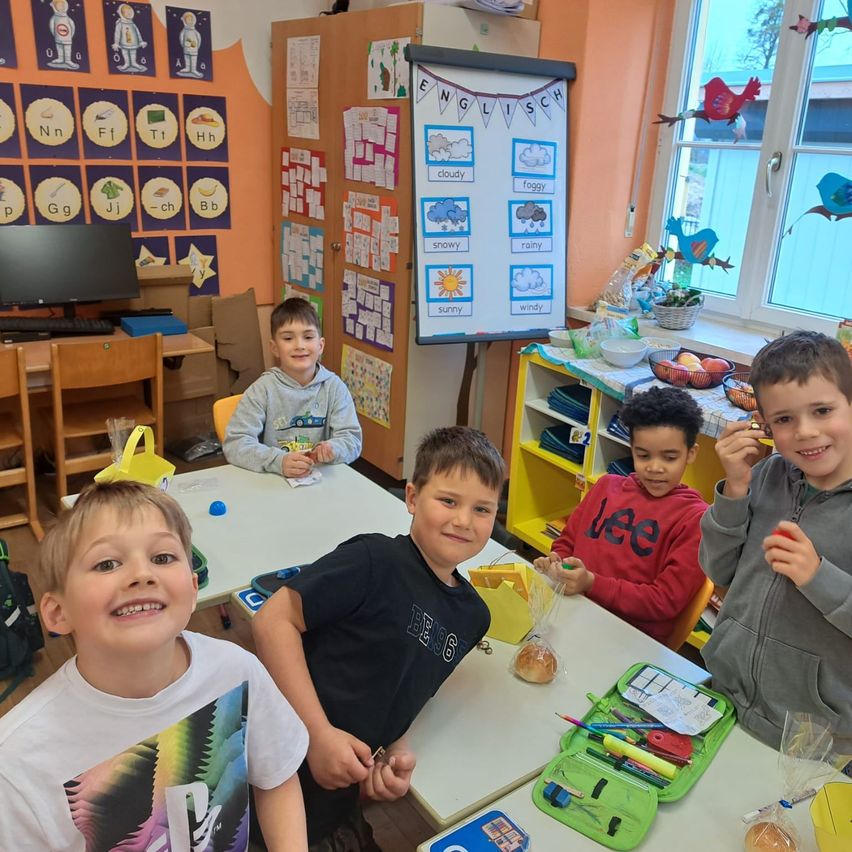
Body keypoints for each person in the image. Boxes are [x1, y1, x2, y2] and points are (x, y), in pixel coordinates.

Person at [0, 481, 309, 851]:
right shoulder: (19, 761)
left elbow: (276, 777)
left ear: (192, 590)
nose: (142, 574)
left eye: (162, 558)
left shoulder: (236, 671)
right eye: (107, 563)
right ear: (57, 612)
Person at [252, 426, 504, 850]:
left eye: (482, 509)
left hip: (335, 795)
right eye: (448, 501)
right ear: (412, 498)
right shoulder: (375, 559)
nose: (464, 520)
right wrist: (317, 734)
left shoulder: (473, 616)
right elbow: (272, 622)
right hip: (276, 766)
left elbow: (411, 685)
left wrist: (393, 750)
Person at [700, 331, 852, 750]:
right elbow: (718, 570)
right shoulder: (766, 475)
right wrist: (734, 490)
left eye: (822, 410)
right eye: (784, 419)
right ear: (764, 424)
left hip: (813, 737)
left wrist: (818, 577)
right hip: (724, 698)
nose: (805, 432)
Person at [534, 385, 707, 644]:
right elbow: (567, 542)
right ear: (632, 448)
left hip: (629, 637)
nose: (655, 467)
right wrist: (559, 563)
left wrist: (591, 583)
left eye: (670, 458)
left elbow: (664, 602)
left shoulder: (695, 518)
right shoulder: (605, 486)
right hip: (573, 610)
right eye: (643, 455)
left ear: (691, 453)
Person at [224, 298, 362, 479]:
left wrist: (334, 449)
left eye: (308, 337)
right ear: (274, 348)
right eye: (288, 338)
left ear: (320, 346)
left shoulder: (335, 388)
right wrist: (278, 461)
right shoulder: (262, 390)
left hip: (321, 482)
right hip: (274, 480)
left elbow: (352, 440)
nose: (299, 346)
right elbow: (235, 443)